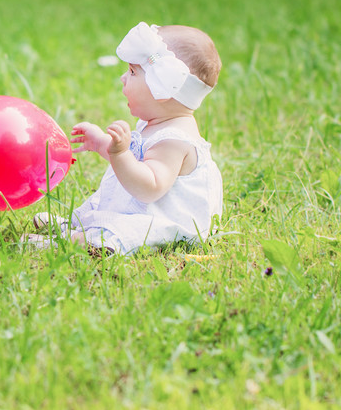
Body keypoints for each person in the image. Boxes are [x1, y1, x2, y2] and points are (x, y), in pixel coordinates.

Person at [29, 22, 222, 254]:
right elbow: (135, 163)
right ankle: (76, 227)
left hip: (161, 224)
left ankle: (67, 242)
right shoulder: (157, 123)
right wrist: (102, 143)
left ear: (162, 89)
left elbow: (149, 187)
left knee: (119, 231)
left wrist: (120, 153)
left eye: (132, 72)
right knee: (109, 216)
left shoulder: (174, 141)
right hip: (141, 211)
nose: (123, 78)